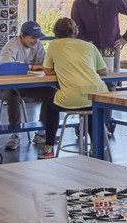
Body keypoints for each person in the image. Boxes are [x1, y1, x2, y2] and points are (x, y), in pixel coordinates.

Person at [40, 17, 107, 154]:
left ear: (56, 31)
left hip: (73, 96)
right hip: (99, 94)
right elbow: (103, 71)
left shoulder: (54, 45)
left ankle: (48, 148)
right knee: (90, 107)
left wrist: (62, 69)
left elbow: (46, 70)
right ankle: (97, 146)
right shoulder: (89, 46)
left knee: (50, 106)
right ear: (75, 31)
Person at [0, 20, 50, 151]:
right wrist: (31, 67)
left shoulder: (38, 45)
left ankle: (41, 132)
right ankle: (15, 135)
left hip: (27, 85)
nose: (35, 40)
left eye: (37, 37)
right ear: (23, 35)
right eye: (32, 37)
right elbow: (6, 66)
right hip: (6, 86)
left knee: (51, 93)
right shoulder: (11, 46)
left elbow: (42, 64)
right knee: (14, 96)